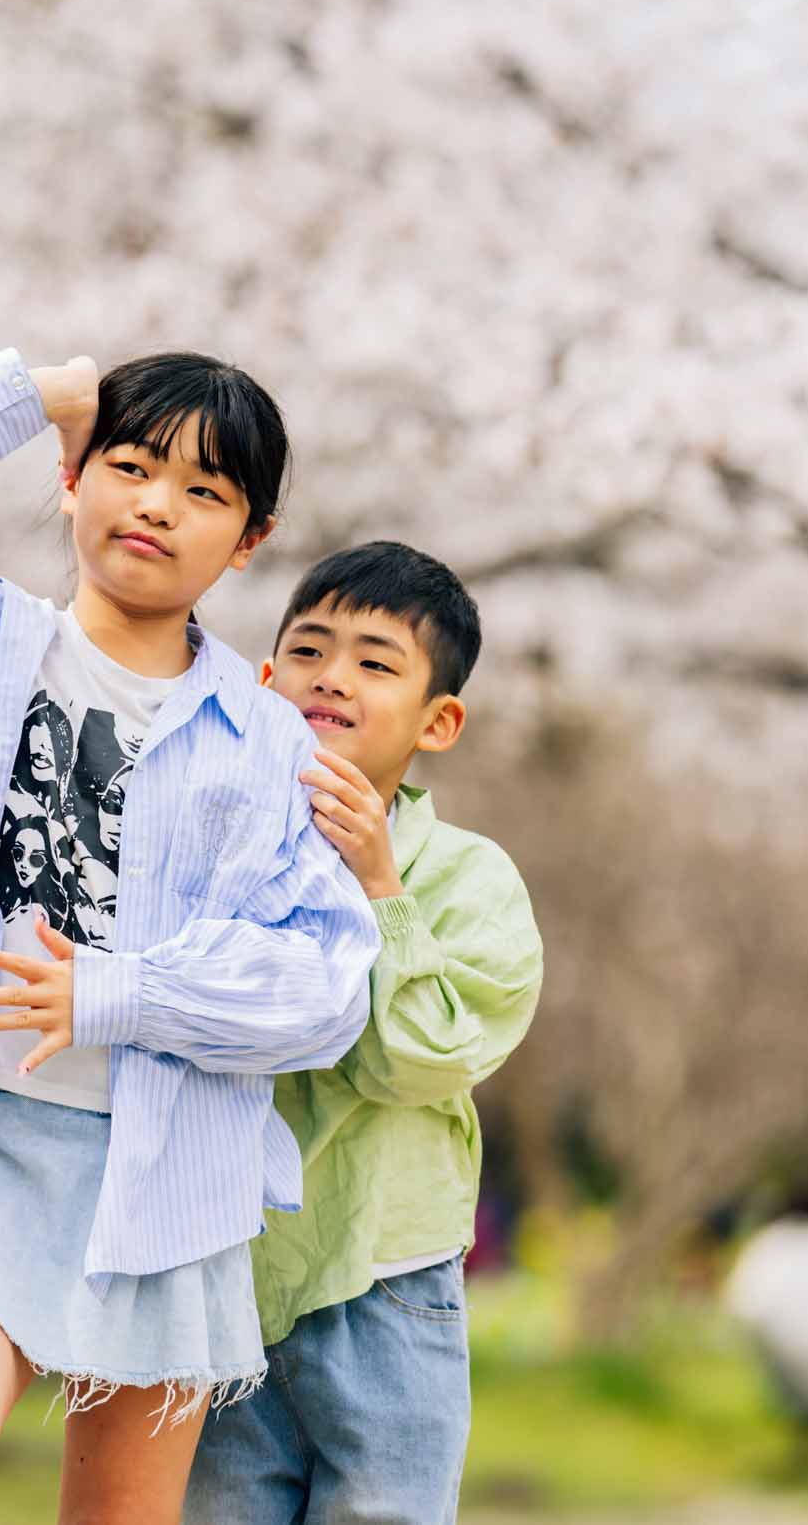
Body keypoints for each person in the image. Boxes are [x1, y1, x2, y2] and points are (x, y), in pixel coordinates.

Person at [0, 350, 378, 1524]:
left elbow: (321, 982)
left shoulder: (270, 743)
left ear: (251, 537)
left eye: (205, 491)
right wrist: (28, 395)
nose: (159, 503)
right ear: (73, 477)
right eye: (129, 463)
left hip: (168, 1170)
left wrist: (115, 992)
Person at [181, 541, 544, 1525]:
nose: (332, 676)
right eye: (308, 648)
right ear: (263, 679)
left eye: (376, 661)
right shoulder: (200, 848)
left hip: (387, 1275)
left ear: (440, 720)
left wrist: (379, 887)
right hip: (226, 1273)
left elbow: (420, 1057)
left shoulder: (469, 879)